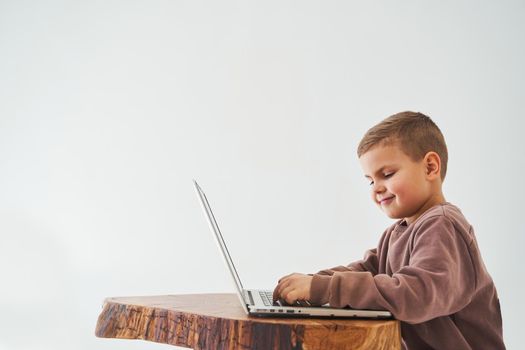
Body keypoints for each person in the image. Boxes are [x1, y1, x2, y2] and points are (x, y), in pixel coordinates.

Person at [273, 111, 505, 349]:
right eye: (370, 180)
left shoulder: (442, 225)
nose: (376, 189)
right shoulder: (398, 232)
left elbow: (416, 294)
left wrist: (322, 289)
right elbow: (367, 271)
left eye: (387, 175)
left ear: (430, 167)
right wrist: (313, 283)